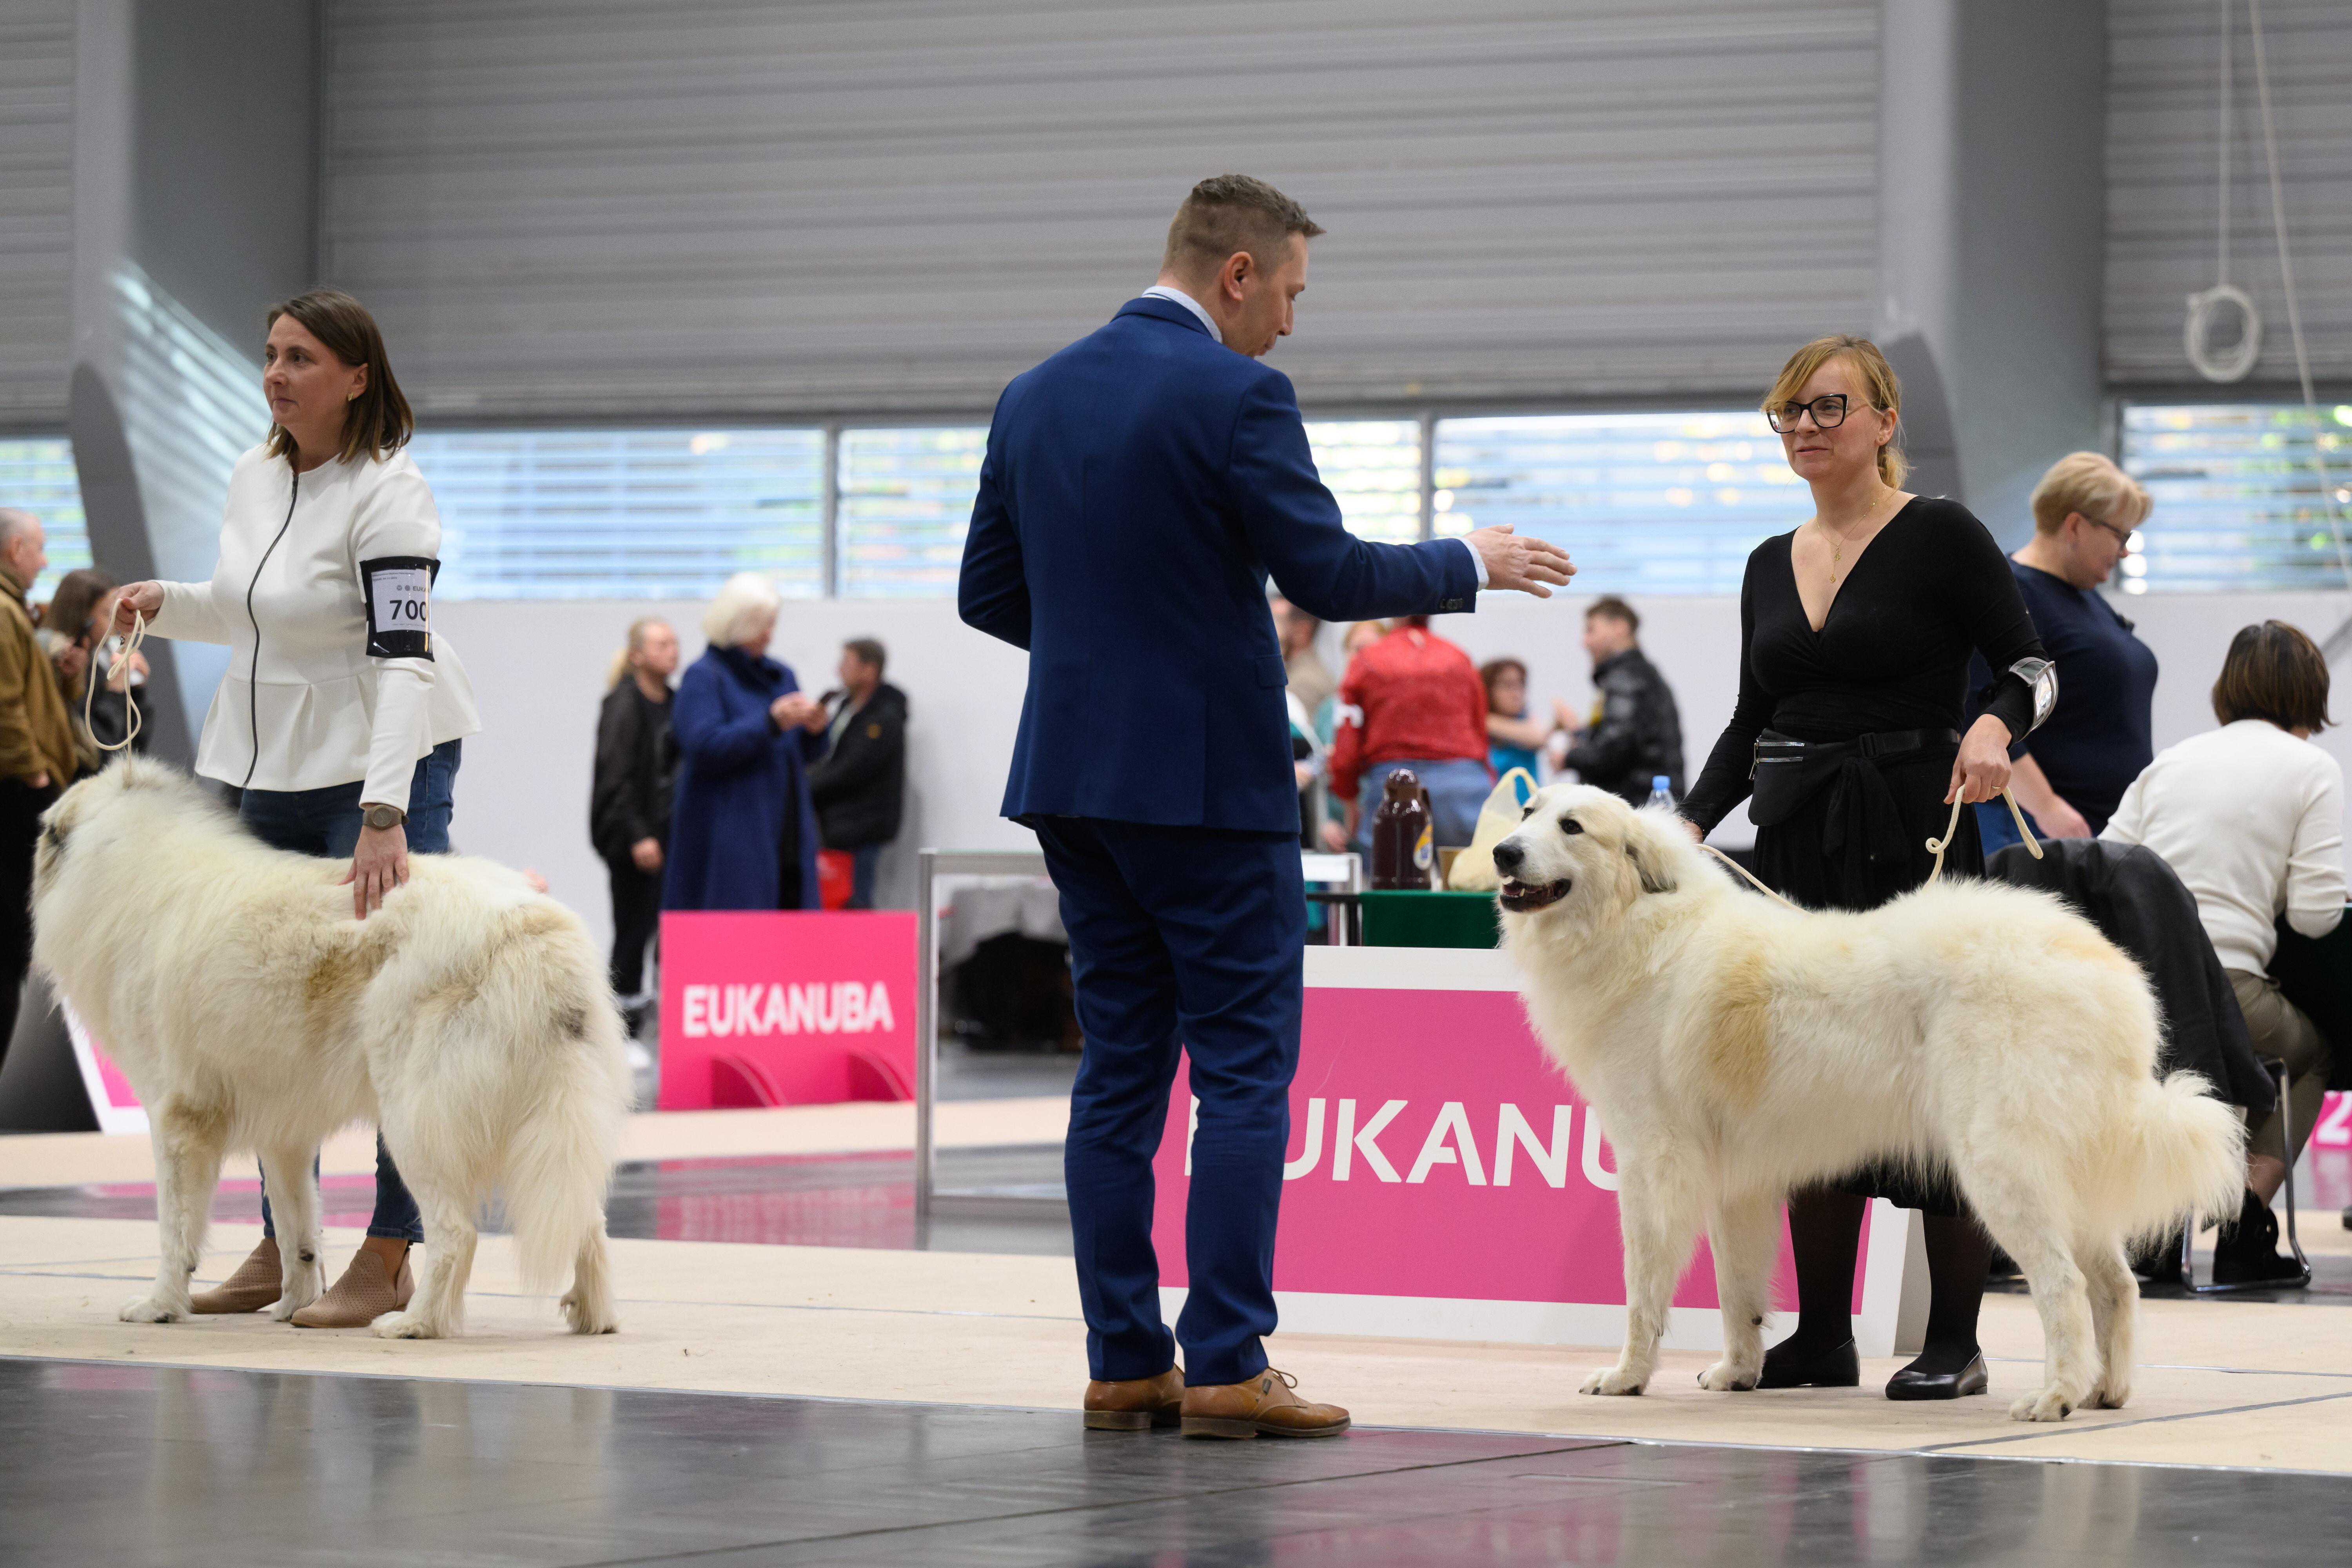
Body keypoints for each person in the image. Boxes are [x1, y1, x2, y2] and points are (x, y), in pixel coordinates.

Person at [958, 173, 1572, 1437]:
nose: (1292, 321)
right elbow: (1328, 574)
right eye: (1291, 291)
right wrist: (1472, 560)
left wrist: (1106, 660)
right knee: (1242, 1073)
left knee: (1118, 1075)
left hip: (1072, 782)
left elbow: (987, 593)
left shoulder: (1032, 396)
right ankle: (1229, 1363)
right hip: (1207, 788)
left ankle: (1125, 1361)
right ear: (1237, 274)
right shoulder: (1240, 394)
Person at [1677, 333, 2050, 1401]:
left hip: (1915, 836)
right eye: (1790, 410)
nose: (1805, 426)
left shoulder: (1942, 534)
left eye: (1829, 407)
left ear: (1886, 421)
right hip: (1796, 842)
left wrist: (1996, 726)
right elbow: (1752, 718)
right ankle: (1823, 1336)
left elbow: (2033, 667)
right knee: (1807, 1085)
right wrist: (1684, 828)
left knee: (1939, 1084)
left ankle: (1955, 1341)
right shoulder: (1767, 561)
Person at [111, 288, 481, 1327]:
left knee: (401, 1009)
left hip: (381, 768)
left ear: (357, 378)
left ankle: (393, 1248)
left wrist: (384, 809)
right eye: (271, 354)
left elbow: (402, 656)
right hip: (263, 765)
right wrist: (164, 604)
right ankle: (288, 1246)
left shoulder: (392, 495)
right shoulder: (253, 474)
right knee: (269, 1014)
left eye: (301, 357)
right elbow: (251, 614)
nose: (276, 374)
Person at [2102, 621, 2345, 1284]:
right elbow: (2318, 916)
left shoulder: (2171, 763)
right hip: (2227, 987)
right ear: (2310, 694)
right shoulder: (2312, 769)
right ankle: (2244, 1225)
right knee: (2309, 1053)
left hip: (2131, 990)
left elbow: (2104, 865)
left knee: (2170, 1068)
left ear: (2227, 688)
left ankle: (2154, 1227)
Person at [1970, 453, 2159, 851]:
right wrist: (2047, 807)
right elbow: (1978, 708)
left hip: (2099, 829)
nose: (2125, 552)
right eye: (2121, 537)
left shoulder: (2084, 596)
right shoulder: (2012, 593)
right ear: (2075, 525)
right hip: (2042, 832)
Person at [663, 573, 824, 912]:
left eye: (772, 624)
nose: (769, 635)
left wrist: (815, 730)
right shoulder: (704, 677)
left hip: (787, 833)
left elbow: (802, 753)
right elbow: (704, 747)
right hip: (732, 835)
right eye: (762, 626)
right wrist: (769, 723)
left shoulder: (781, 675)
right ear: (737, 625)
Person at [0, 509, 77, 1064]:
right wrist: (37, 775)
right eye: (40, 548)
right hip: (16, 795)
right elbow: (5, 706)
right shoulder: (4, 612)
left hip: (21, 789)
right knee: (10, 950)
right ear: (14, 551)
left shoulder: (14, 612)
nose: (46, 561)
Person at [1328, 616, 1493, 851]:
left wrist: (1349, 798)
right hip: (1462, 786)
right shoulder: (1459, 657)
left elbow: (1346, 743)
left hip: (1396, 786)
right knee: (1465, 872)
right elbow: (1479, 727)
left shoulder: (1367, 660)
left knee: (1390, 873)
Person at [592, 617, 679, 1036]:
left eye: (674, 643)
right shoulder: (624, 703)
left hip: (669, 838)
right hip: (631, 843)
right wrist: (639, 835)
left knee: (669, 935)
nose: (672, 651)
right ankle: (622, 1032)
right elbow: (617, 777)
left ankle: (663, 1025)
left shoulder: (677, 703)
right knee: (632, 933)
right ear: (638, 655)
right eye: (662, 644)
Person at [805, 637, 908, 909]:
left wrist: (805, 786)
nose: (838, 670)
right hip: (836, 822)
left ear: (869, 670)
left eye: (846, 663)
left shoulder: (884, 717)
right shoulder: (844, 707)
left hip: (863, 824)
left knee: (857, 902)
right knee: (835, 900)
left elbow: (853, 768)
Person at [1561, 597, 1686, 805]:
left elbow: (1612, 752)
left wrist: (1567, 757)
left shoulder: (1626, 678)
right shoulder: (1642, 675)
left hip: (1635, 809)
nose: (1585, 642)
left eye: (1591, 630)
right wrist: (1578, 732)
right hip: (1647, 806)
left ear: (1620, 628)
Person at [1479, 657, 1566, 779]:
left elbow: (1538, 737)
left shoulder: (1524, 719)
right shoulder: (1479, 726)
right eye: (1508, 685)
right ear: (1488, 689)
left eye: (1521, 685)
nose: (1517, 694)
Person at [1272, 597, 1335, 718]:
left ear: (1303, 629)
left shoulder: (1305, 682)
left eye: (1278, 619)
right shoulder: (1290, 670)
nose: (1270, 627)